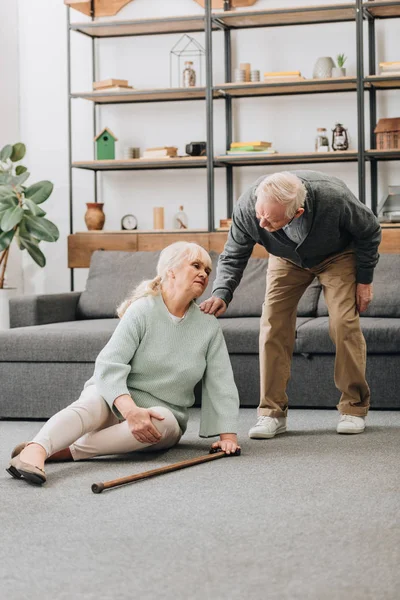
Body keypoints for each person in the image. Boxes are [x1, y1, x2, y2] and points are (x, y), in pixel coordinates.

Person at [7, 242, 240, 485]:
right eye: (196, 265)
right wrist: (130, 411)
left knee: (164, 423)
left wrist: (228, 437)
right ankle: (37, 450)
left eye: (207, 270)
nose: (204, 273)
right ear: (171, 271)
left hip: (160, 415)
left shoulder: (208, 326)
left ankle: (67, 450)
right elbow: (109, 365)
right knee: (91, 404)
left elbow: (220, 381)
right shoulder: (142, 310)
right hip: (116, 398)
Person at [200, 170, 381, 438]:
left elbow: (369, 231)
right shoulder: (248, 206)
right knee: (272, 323)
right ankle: (271, 413)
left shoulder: (334, 198)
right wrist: (221, 292)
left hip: (338, 255)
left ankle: (354, 407)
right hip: (286, 259)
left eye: (271, 220)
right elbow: (234, 254)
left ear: (297, 212)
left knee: (344, 323)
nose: (261, 223)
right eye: (260, 213)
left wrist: (364, 280)